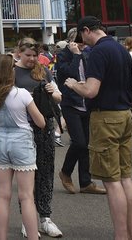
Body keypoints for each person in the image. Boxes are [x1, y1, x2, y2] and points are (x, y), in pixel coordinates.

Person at [64, 16, 132, 240]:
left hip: (105, 117)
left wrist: (73, 84)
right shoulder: (121, 49)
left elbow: (91, 90)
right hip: (125, 115)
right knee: (125, 178)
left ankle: (120, 236)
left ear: (86, 30)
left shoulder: (98, 52)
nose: (82, 42)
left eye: (81, 36)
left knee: (112, 181)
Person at [0, 54, 48, 240]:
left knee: (3, 196)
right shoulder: (21, 94)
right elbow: (41, 122)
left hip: (0, 142)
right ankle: (32, 237)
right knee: (26, 196)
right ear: (9, 72)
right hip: (21, 143)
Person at [14, 39, 63, 238]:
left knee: (46, 171)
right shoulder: (11, 73)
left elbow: (59, 96)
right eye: (28, 55)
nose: (32, 59)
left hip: (45, 127)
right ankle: (28, 219)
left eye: (35, 55)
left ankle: (45, 217)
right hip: (23, 128)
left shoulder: (43, 71)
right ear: (19, 53)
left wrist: (54, 92)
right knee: (26, 175)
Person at [54, 28, 105, 197]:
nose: (83, 46)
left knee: (87, 145)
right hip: (71, 104)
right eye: (79, 43)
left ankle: (86, 182)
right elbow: (68, 73)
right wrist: (76, 54)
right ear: (72, 42)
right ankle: (65, 173)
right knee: (79, 142)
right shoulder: (63, 55)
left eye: (84, 43)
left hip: (87, 103)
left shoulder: (90, 53)